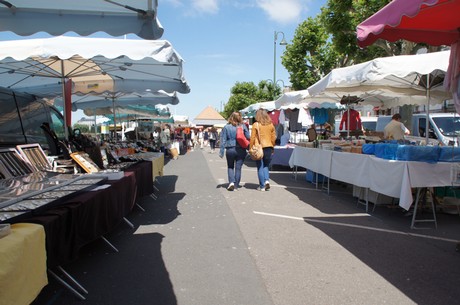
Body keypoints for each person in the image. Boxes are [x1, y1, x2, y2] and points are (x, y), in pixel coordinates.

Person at [219, 112, 250, 191]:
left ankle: (231, 182)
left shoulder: (226, 127)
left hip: (230, 149)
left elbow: (223, 140)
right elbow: (248, 137)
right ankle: (236, 186)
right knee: (238, 168)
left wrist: (221, 152)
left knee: (230, 166)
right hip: (241, 149)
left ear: (231, 117)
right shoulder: (242, 126)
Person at [250, 109, 276, 191]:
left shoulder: (256, 124)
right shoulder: (271, 125)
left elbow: (252, 138)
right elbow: (273, 138)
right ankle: (267, 180)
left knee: (260, 166)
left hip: (259, 148)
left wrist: (250, 148)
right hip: (269, 147)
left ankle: (262, 186)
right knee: (266, 166)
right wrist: (272, 147)